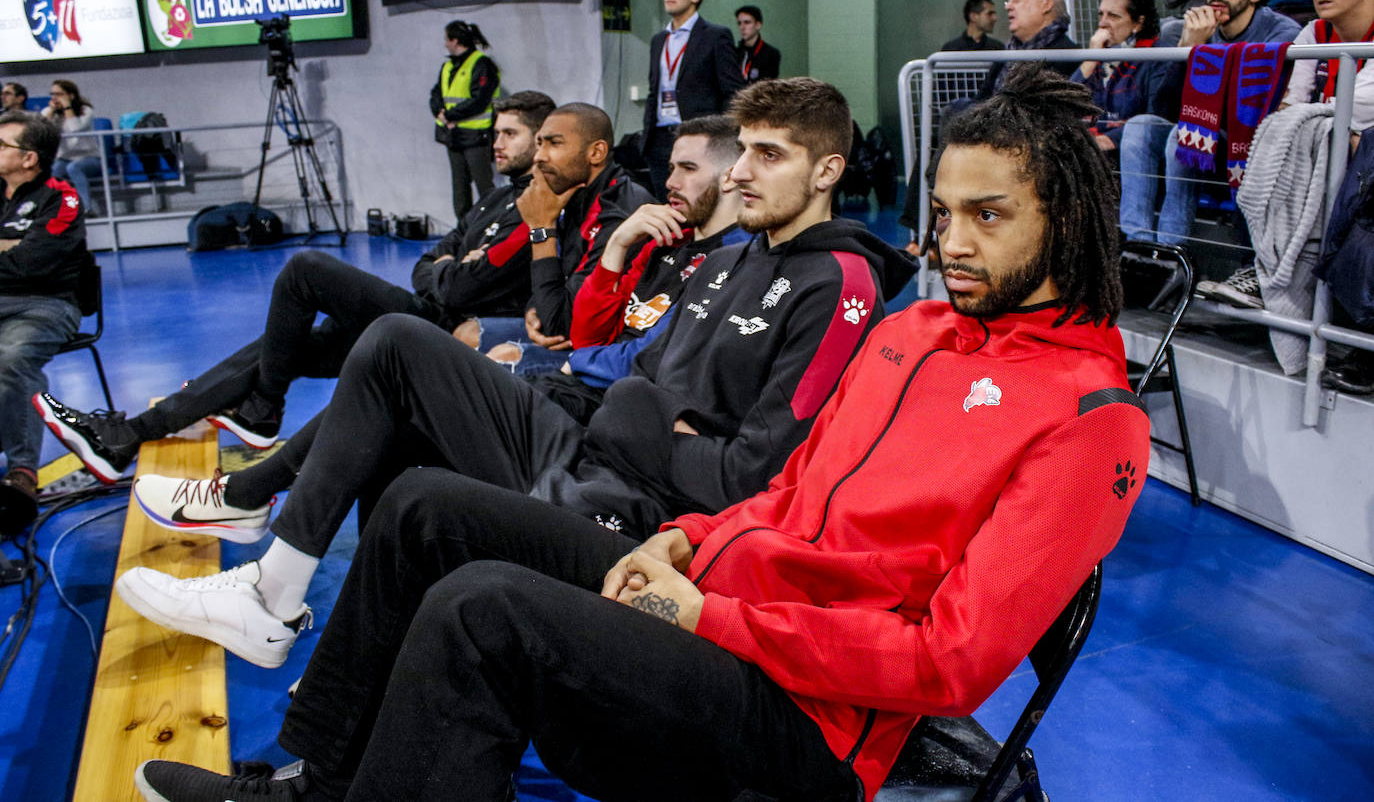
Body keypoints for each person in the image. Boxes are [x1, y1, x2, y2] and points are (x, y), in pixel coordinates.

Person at [129, 65, 1151, 802]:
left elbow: (949, 667)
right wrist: (690, 541)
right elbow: (791, 493)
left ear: (1066, 220)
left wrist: (708, 616)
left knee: (485, 609)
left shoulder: (1091, 421)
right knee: (420, 508)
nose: (953, 242)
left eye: (990, 215)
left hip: (807, 722)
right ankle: (316, 783)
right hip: (718, 593)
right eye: (943, 212)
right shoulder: (920, 328)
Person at [112, 78, 915, 670]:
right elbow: (632, 371)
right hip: (595, 447)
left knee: (408, 444)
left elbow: (754, 474)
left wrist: (637, 419)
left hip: (644, 513)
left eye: (768, 156)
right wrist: (546, 369)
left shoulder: (839, 283)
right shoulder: (727, 258)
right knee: (396, 347)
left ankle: (275, 578)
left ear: (826, 171)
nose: (741, 174)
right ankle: (273, 598)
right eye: (742, 155)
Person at [35, 92, 557, 485]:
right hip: (424, 307)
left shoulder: (538, 206)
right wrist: (447, 263)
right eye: (495, 132)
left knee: (307, 269)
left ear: (540, 140)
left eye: (509, 133)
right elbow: (430, 262)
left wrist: (449, 266)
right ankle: (132, 435)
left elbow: (465, 286)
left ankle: (263, 408)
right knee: (282, 346)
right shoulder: (492, 198)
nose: (495, 141)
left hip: (443, 331)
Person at [485, 114, 749, 382]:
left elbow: (651, 358)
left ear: (729, 178)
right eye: (671, 169)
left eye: (688, 168)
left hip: (623, 389)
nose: (671, 182)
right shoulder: (662, 240)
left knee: (493, 371)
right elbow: (585, 336)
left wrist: (577, 363)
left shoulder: (737, 257)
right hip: (595, 372)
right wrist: (616, 245)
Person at [1201, 0, 1374, 309]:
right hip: (1329, 147)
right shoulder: (1314, 32)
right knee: (1277, 138)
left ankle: (1272, 278)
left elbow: (1359, 106)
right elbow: (1293, 104)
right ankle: (1265, 272)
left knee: (1321, 140)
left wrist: (1312, 120)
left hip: (1362, 156)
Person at [1118, 0, 1300, 244]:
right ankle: (1136, 243)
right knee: (1140, 127)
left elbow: (1260, 112)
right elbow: (1160, 108)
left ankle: (1172, 249)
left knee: (1184, 136)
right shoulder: (1186, 29)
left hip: (1244, 144)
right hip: (1200, 139)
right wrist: (1189, 50)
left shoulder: (1281, 34)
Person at [453, 102, 653, 364]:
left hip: (604, 346)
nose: (539, 157)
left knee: (504, 359)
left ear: (596, 152)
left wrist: (540, 229)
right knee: (467, 333)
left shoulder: (618, 214)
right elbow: (557, 283)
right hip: (563, 322)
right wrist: (533, 308)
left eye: (554, 144)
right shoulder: (569, 193)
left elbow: (560, 325)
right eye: (539, 144)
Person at [0, 112, 85, 534]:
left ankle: (21, 475)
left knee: (11, 356)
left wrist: (14, 250)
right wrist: (9, 247)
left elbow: (32, 263)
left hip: (46, 304)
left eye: (2, 145)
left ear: (29, 158)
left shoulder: (62, 197)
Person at [641, 0, 746, 196]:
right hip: (659, 137)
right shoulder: (659, 40)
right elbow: (655, 90)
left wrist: (721, 133)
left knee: (699, 201)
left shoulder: (715, 35)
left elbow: (734, 90)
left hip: (698, 134)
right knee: (666, 201)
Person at [1071, 0, 1173, 155]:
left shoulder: (1158, 57)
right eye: (1101, 14)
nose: (1102, 23)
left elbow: (1153, 120)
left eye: (1113, 16)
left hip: (1131, 151)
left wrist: (1111, 139)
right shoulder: (1099, 57)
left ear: (1138, 23)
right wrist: (1091, 58)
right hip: (1091, 150)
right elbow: (1064, 103)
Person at [430, 20, 500, 219]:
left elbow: (480, 99)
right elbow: (436, 94)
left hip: (475, 136)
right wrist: (439, 113)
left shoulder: (482, 64)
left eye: (446, 39)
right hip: (452, 135)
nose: (444, 43)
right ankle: (465, 231)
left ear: (455, 40)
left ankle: (492, 227)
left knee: (484, 186)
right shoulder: (447, 66)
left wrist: (451, 115)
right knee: (459, 188)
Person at [975, 0, 1079, 98]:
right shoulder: (1007, 53)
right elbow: (981, 100)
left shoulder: (1068, 57)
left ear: (1046, 4)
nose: (1008, 6)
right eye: (1009, 0)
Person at [41, 80, 102, 206]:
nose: (54, 98)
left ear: (71, 96)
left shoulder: (86, 110)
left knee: (74, 168)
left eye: (59, 94)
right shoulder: (48, 111)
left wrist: (67, 107)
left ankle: (86, 208)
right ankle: (58, 207)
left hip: (89, 157)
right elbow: (40, 129)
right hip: (65, 158)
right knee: (54, 171)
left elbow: (75, 129)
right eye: (52, 94)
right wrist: (51, 112)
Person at [734, 5, 781, 83]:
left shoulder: (771, 54)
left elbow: (767, 87)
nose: (742, 27)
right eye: (739, 23)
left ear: (758, 25)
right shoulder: (734, 53)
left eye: (747, 22)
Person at [940, 0, 1005, 52]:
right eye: (989, 14)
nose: (995, 18)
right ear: (973, 17)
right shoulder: (951, 49)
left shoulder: (997, 48)